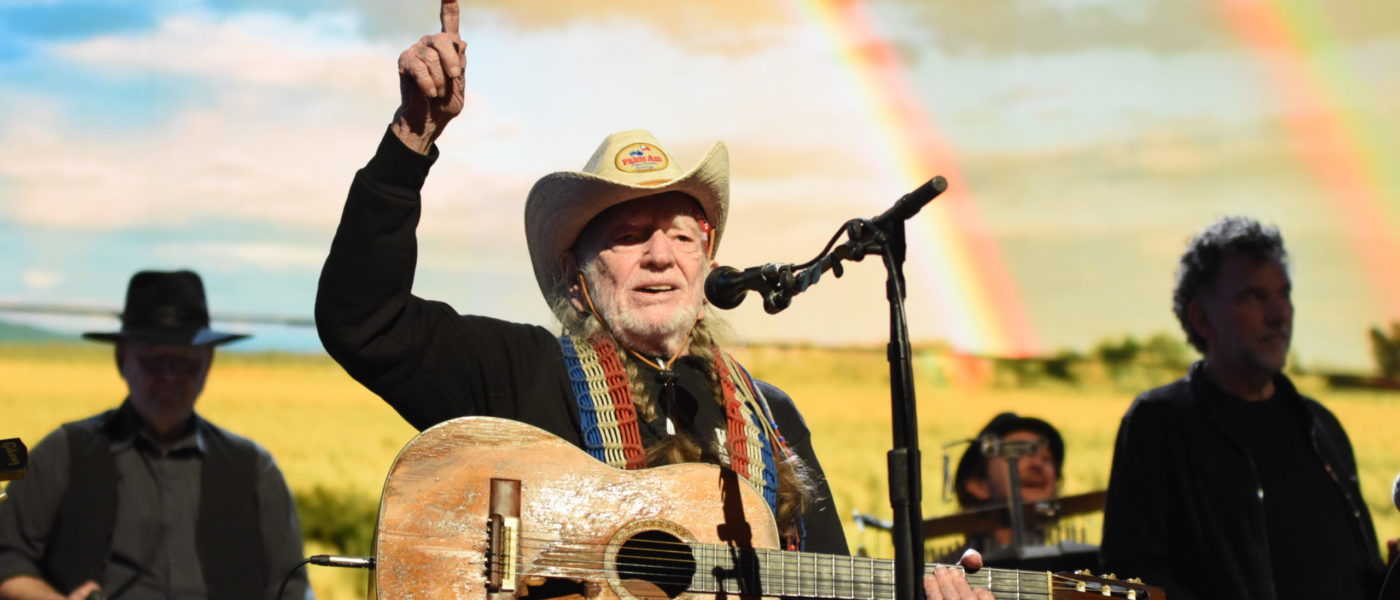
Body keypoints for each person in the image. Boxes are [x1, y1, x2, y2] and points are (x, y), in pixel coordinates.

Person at [314, 2, 991, 598]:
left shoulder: (773, 418)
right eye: (629, 236)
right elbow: (362, 319)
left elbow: (823, 578)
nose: (660, 256)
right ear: (576, 273)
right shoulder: (519, 372)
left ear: (709, 264)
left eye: (679, 235)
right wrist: (411, 140)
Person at [1099, 216, 1384, 600]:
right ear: (1201, 317)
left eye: (1284, 294)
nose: (1279, 314)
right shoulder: (1159, 421)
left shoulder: (1320, 426)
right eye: (1254, 296)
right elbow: (1132, 573)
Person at [0, 270, 312, 600]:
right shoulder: (61, 454)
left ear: (208, 363)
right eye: (154, 362)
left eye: (185, 364)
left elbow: (292, 587)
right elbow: (6, 559)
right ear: (122, 359)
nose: (169, 377)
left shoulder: (255, 470)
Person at [951, 412, 1064, 549]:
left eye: (1045, 458)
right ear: (978, 485)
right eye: (1020, 455)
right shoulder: (953, 568)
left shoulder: (1072, 566)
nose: (1038, 465)